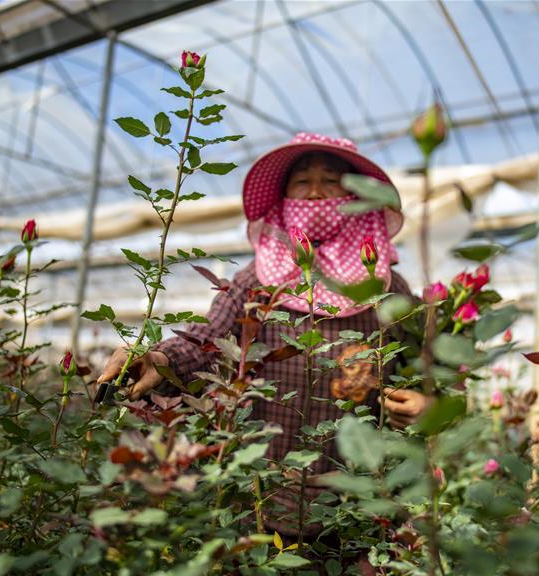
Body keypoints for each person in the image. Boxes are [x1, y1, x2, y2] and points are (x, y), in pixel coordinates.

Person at [98, 132, 429, 534]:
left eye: (332, 181)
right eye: (302, 182)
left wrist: (427, 402)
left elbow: (423, 365)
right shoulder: (257, 279)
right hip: (258, 492)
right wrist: (159, 359)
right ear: (283, 198)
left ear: (357, 197)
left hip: (352, 505)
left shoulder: (387, 289)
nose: (315, 193)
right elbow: (209, 338)